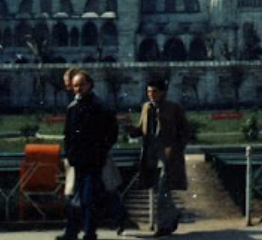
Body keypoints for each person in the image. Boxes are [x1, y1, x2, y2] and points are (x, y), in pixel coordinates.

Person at [128, 78, 192, 238]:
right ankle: (172, 215)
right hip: (151, 154)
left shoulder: (173, 108)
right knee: (159, 190)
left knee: (163, 187)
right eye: (149, 92)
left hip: (168, 155)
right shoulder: (146, 107)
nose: (151, 95)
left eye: (154, 92)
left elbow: (185, 130)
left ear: (163, 92)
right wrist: (131, 130)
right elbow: (142, 129)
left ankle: (163, 225)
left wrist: (177, 149)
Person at [57, 70, 117, 240]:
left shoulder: (99, 107)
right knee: (74, 198)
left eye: (81, 85)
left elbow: (111, 132)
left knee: (88, 198)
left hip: (93, 160)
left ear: (89, 85)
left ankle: (89, 231)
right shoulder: (73, 107)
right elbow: (68, 134)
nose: (78, 88)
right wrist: (69, 153)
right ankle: (73, 230)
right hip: (77, 160)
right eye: (75, 85)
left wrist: (101, 151)